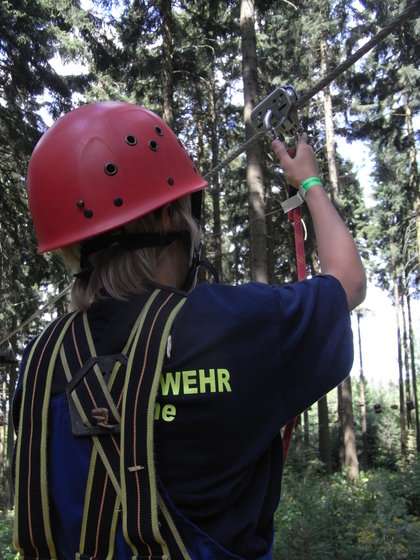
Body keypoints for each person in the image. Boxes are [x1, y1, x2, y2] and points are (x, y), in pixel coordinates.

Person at [12, 101, 366, 560]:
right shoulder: (236, 325)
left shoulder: (39, 364)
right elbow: (348, 282)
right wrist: (311, 184)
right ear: (167, 219)